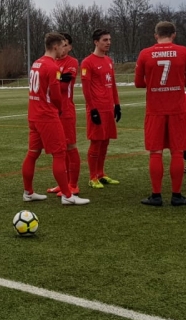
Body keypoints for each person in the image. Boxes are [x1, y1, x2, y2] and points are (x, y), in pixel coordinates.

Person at [21, 33, 90, 206]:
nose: (63, 50)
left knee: (32, 153)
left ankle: (28, 192)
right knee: (59, 153)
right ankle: (67, 195)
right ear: (55, 47)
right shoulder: (52, 66)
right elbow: (56, 94)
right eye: (61, 46)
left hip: (33, 114)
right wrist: (59, 109)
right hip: (47, 115)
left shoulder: (36, 63)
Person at [134, 21, 186, 207]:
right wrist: (175, 84)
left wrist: (154, 84)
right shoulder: (183, 51)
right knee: (177, 152)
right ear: (174, 35)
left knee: (156, 152)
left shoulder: (145, 53)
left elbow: (138, 82)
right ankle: (176, 195)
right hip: (178, 109)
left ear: (156, 36)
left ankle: (156, 195)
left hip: (155, 110)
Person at [80, 29, 122, 190]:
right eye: (105, 40)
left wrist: (117, 104)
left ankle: (101, 173)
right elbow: (86, 89)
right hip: (97, 108)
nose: (108, 42)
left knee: (105, 141)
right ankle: (92, 177)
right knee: (96, 142)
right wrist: (92, 109)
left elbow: (113, 85)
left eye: (109, 39)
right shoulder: (87, 62)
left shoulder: (109, 61)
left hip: (108, 108)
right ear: (96, 42)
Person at [46, 33, 82, 197]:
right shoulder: (51, 62)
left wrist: (55, 79)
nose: (63, 48)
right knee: (59, 149)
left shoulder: (72, 62)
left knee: (70, 146)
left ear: (70, 47)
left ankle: (73, 185)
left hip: (66, 110)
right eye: (61, 45)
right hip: (53, 110)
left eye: (66, 45)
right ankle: (63, 183)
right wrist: (58, 78)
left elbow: (62, 86)